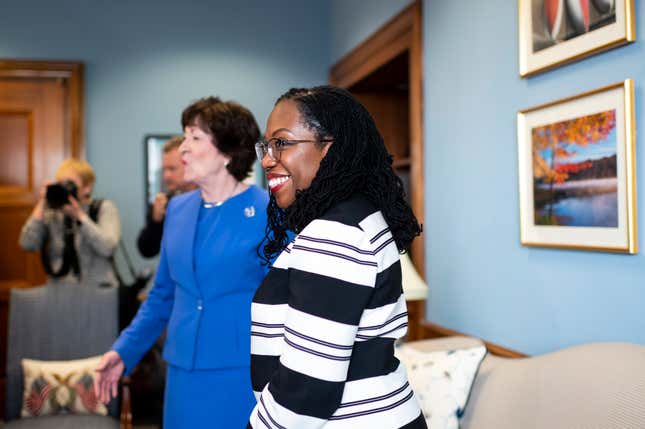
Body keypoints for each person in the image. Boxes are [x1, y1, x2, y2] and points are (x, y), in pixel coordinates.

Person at [249, 86, 427, 428]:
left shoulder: (333, 233)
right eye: (266, 146)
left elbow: (306, 392)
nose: (268, 159)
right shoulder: (359, 215)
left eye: (282, 143)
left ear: (328, 149)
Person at [94, 96, 268, 429]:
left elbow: (289, 300)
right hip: (181, 372)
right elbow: (162, 296)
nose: (183, 149)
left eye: (195, 137)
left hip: (242, 372)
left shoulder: (267, 211)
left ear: (228, 151)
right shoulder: (178, 209)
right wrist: (123, 352)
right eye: (184, 136)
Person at [19, 158, 121, 287]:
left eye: (69, 184)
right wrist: (43, 202)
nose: (65, 189)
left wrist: (80, 217)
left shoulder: (103, 208)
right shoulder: (53, 213)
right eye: (60, 184)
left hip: (97, 291)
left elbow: (108, 248)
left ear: (87, 187)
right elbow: (28, 244)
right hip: (60, 289)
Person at [137, 136, 195, 258]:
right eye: (164, 169)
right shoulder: (165, 203)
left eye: (172, 169)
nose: (166, 176)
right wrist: (156, 221)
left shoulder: (212, 200)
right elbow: (146, 251)